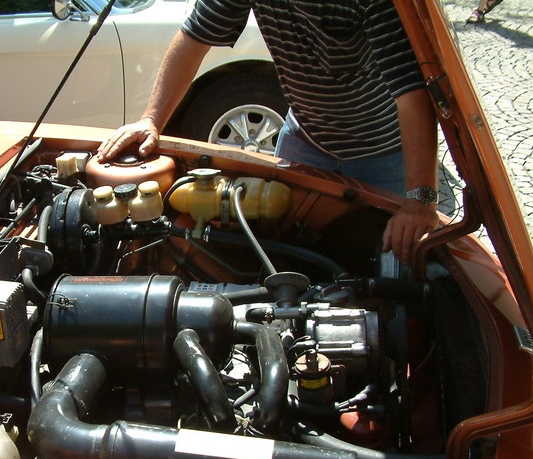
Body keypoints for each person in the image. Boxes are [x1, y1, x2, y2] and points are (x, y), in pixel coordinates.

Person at [96, 0, 439, 264]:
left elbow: (413, 93)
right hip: (304, 139)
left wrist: (421, 199)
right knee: (286, 250)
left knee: (395, 262)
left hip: (384, 152)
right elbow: (193, 39)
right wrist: (151, 121)